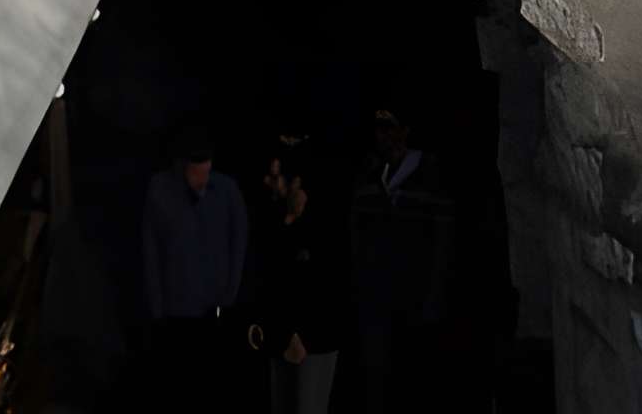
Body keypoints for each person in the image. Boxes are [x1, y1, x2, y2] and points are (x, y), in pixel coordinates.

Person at [349, 105, 459, 411]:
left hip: (416, 298)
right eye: (377, 127)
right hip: (375, 299)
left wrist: (435, 295)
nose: (380, 134)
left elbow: (443, 244)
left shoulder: (430, 175)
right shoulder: (369, 174)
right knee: (377, 383)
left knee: (414, 382)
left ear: (405, 130)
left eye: (388, 126)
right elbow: (356, 234)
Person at [141, 127, 247, 411]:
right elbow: (151, 252)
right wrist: (157, 307)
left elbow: (239, 244)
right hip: (175, 311)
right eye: (195, 171)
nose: (202, 179)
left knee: (212, 387)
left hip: (215, 309)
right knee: (178, 388)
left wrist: (230, 294)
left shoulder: (226, 191)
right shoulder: (160, 190)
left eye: (206, 170)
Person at [250, 157, 345, 412]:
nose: (271, 182)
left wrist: (299, 334)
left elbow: (318, 283)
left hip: (310, 339)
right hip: (284, 336)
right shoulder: (273, 220)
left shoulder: (318, 228)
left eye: (278, 177)